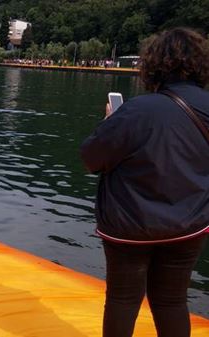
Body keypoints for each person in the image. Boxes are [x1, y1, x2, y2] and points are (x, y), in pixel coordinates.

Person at [80, 27, 209, 337]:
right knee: (172, 301)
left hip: (131, 227)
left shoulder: (138, 110)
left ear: (153, 64)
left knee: (123, 301)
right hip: (190, 225)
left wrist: (111, 123)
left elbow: (91, 158)